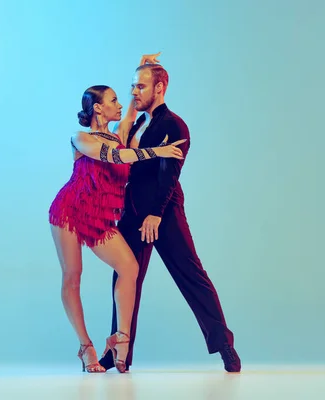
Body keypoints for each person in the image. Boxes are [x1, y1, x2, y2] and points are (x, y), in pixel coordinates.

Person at [98, 62, 242, 372]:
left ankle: (225, 347)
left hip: (164, 212)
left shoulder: (175, 126)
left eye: (141, 86)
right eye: (133, 86)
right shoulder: (138, 125)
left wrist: (156, 214)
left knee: (191, 275)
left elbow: (169, 174)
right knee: (124, 278)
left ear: (159, 88)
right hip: (132, 212)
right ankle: (116, 353)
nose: (135, 91)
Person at [48, 55, 186, 373]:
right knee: (72, 277)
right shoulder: (81, 138)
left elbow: (132, 110)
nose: (121, 103)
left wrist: (143, 65)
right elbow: (116, 155)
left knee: (129, 267)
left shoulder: (119, 132)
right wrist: (158, 151)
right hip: (70, 211)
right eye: (113, 100)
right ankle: (86, 348)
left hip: (100, 217)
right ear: (98, 108)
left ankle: (121, 341)